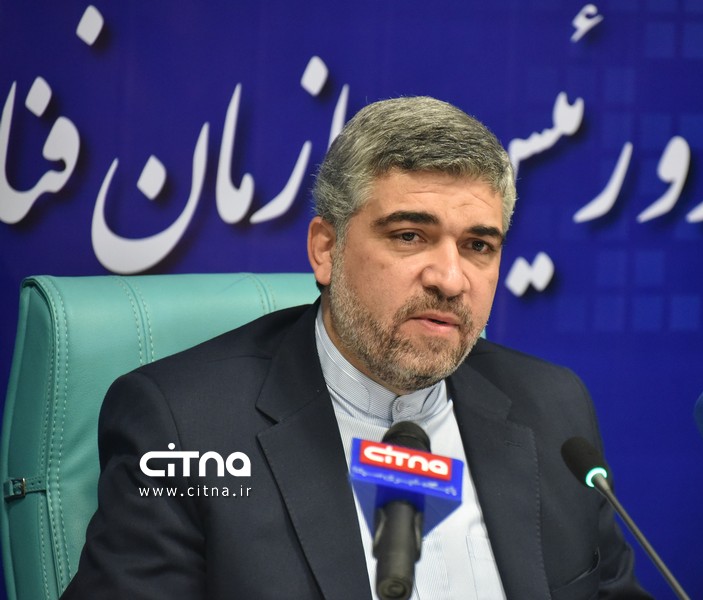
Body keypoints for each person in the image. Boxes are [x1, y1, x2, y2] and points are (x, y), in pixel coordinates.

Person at [62, 96, 651, 599]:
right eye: (409, 235)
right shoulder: (185, 428)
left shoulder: (553, 408)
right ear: (326, 249)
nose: (450, 279)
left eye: (478, 246)